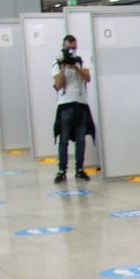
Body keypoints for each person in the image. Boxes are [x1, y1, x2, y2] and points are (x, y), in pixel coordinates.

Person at [51, 34, 94, 184]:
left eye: (74, 48)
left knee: (81, 139)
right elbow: (58, 85)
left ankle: (79, 170)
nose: (71, 51)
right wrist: (64, 67)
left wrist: (75, 66)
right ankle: (62, 170)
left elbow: (88, 78)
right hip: (65, 105)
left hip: (81, 104)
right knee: (63, 140)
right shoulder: (57, 63)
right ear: (63, 48)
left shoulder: (81, 60)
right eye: (68, 49)